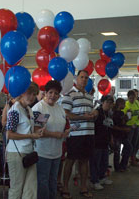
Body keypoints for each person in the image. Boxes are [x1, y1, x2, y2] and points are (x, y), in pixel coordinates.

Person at [32, 80, 70, 199]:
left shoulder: (59, 108)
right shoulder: (41, 108)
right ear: (45, 93)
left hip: (57, 152)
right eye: (51, 92)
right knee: (43, 181)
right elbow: (38, 130)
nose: (53, 96)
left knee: (53, 180)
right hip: (43, 152)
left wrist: (66, 132)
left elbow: (63, 124)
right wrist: (56, 135)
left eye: (56, 93)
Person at [6, 83, 44, 199]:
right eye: (29, 93)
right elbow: (9, 134)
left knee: (30, 188)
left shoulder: (28, 110)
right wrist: (31, 136)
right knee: (17, 188)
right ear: (22, 93)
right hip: (16, 153)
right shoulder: (15, 110)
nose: (32, 97)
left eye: (34, 94)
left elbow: (29, 129)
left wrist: (37, 132)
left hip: (29, 151)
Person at [61, 70, 95, 199]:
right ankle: (65, 187)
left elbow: (89, 113)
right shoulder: (70, 94)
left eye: (86, 78)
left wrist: (94, 114)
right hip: (75, 134)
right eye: (82, 77)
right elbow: (65, 114)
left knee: (84, 161)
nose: (84, 80)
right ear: (76, 79)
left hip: (89, 132)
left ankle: (83, 187)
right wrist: (82, 117)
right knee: (70, 160)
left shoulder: (89, 96)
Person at [89, 95, 114, 190]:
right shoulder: (97, 112)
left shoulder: (108, 113)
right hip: (96, 141)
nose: (109, 104)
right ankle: (94, 181)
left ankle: (102, 177)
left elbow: (110, 126)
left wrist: (111, 138)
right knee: (95, 162)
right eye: (107, 102)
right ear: (102, 102)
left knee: (104, 161)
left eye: (111, 103)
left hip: (105, 140)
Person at [122, 90, 139, 166]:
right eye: (130, 98)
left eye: (133, 98)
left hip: (137, 125)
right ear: (128, 98)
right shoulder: (126, 105)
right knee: (128, 144)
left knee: (136, 143)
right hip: (129, 126)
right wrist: (127, 114)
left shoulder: (137, 103)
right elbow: (123, 117)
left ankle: (132, 158)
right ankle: (125, 160)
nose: (132, 100)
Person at [111, 98, 132, 172]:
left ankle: (123, 164)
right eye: (123, 104)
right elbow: (113, 126)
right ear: (120, 104)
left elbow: (123, 122)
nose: (124, 105)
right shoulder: (114, 113)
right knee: (117, 151)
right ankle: (117, 167)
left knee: (128, 147)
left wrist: (126, 117)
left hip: (123, 134)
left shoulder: (122, 113)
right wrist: (124, 129)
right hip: (117, 134)